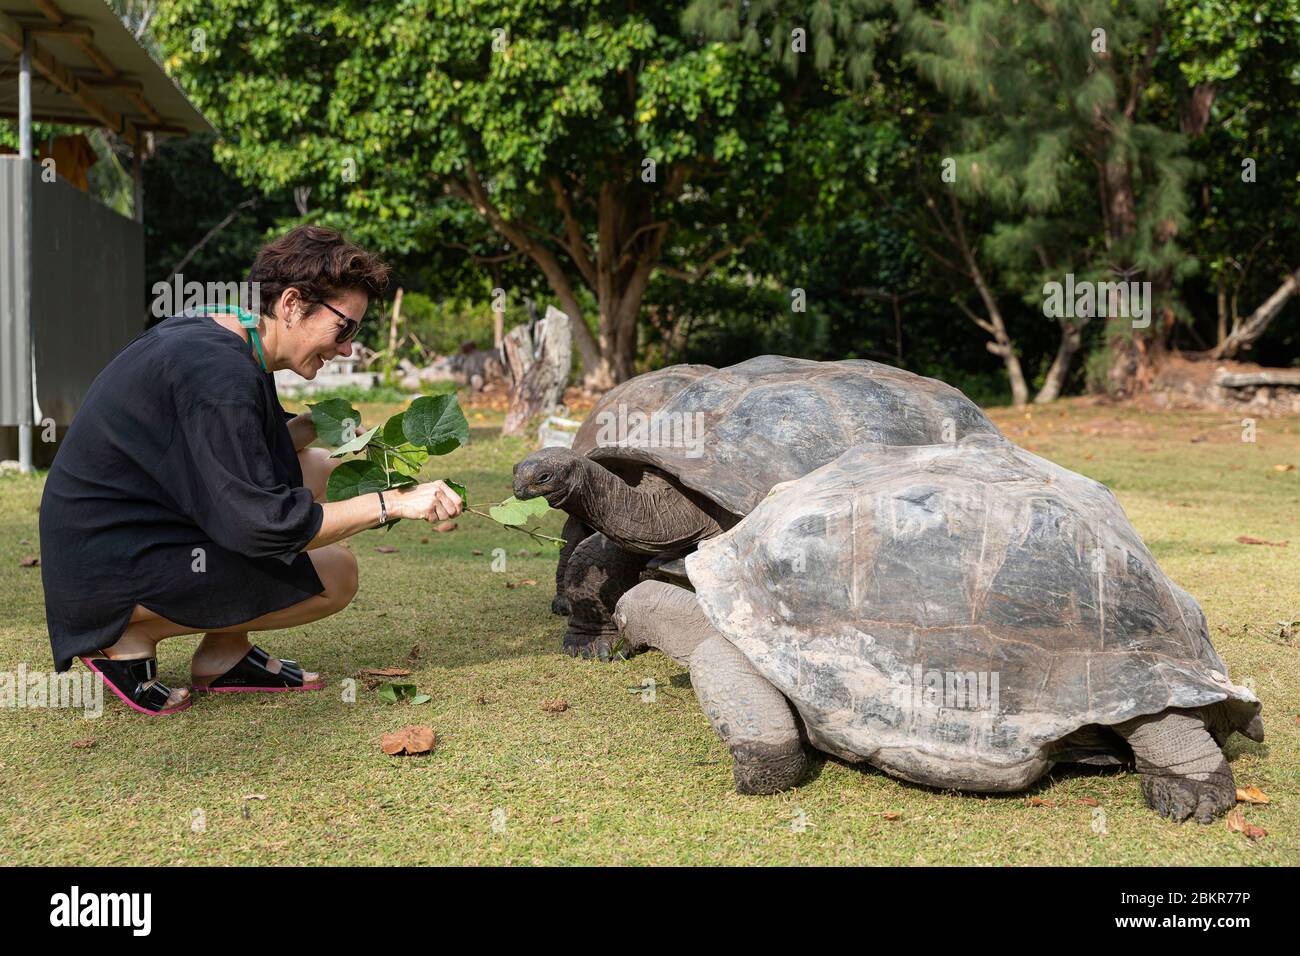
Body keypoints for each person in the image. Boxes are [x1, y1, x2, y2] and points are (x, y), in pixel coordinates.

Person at [38, 225, 463, 715]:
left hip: (120, 537)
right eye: (342, 328)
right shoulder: (220, 376)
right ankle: (124, 635)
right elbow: (265, 525)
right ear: (290, 304)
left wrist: (313, 426)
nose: (347, 347)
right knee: (337, 573)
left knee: (316, 464)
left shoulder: (222, 334)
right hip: (102, 573)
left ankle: (225, 653)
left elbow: (236, 450)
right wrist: (391, 504)